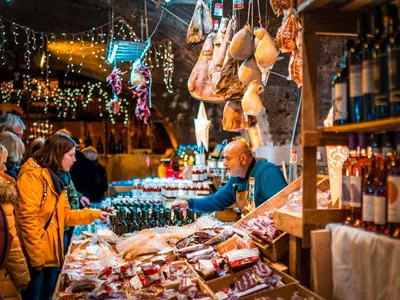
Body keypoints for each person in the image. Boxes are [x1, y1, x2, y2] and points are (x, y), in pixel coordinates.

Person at [16, 134, 113, 300]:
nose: (75, 160)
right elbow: (27, 219)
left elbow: (65, 215)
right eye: (71, 155)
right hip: (37, 259)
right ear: (58, 155)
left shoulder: (57, 178)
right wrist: (38, 258)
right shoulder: (32, 177)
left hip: (51, 255)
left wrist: (95, 214)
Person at [172, 140, 287, 214]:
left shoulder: (267, 173)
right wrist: (189, 204)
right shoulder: (236, 179)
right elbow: (218, 200)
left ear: (242, 159)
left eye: (227, 158)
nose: (224, 163)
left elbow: (282, 208)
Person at [0, 144, 30, 300]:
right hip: (4, 277)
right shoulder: (3, 194)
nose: (5, 169)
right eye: (3, 163)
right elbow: (10, 243)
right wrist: (23, 278)